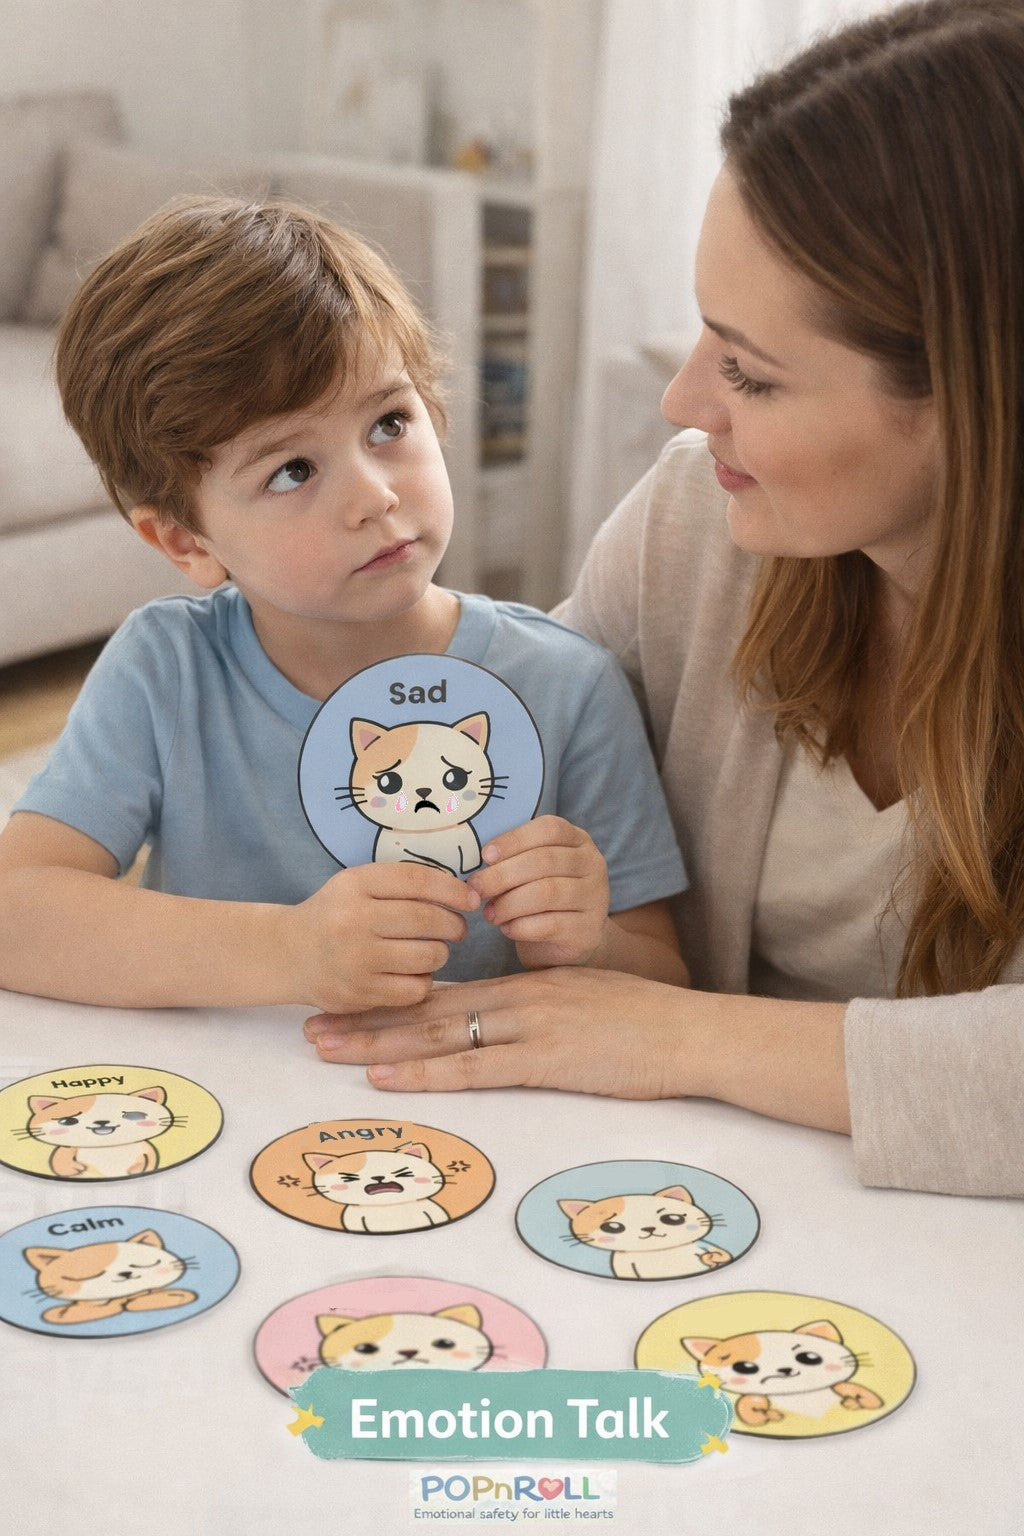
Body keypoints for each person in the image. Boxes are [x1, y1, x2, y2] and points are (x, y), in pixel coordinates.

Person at [304, 0, 1024, 1199]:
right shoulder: (701, 524)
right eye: (704, 334)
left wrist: (671, 1035)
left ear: (978, 403)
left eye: (750, 371)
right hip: (686, 1187)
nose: (686, 399)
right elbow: (509, 755)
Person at [0, 197, 688, 1011]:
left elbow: (667, 976)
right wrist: (290, 952)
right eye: (292, 469)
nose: (374, 496)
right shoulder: (167, 669)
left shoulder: (570, 685)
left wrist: (589, 941)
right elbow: (17, 914)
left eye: (389, 422)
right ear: (188, 542)